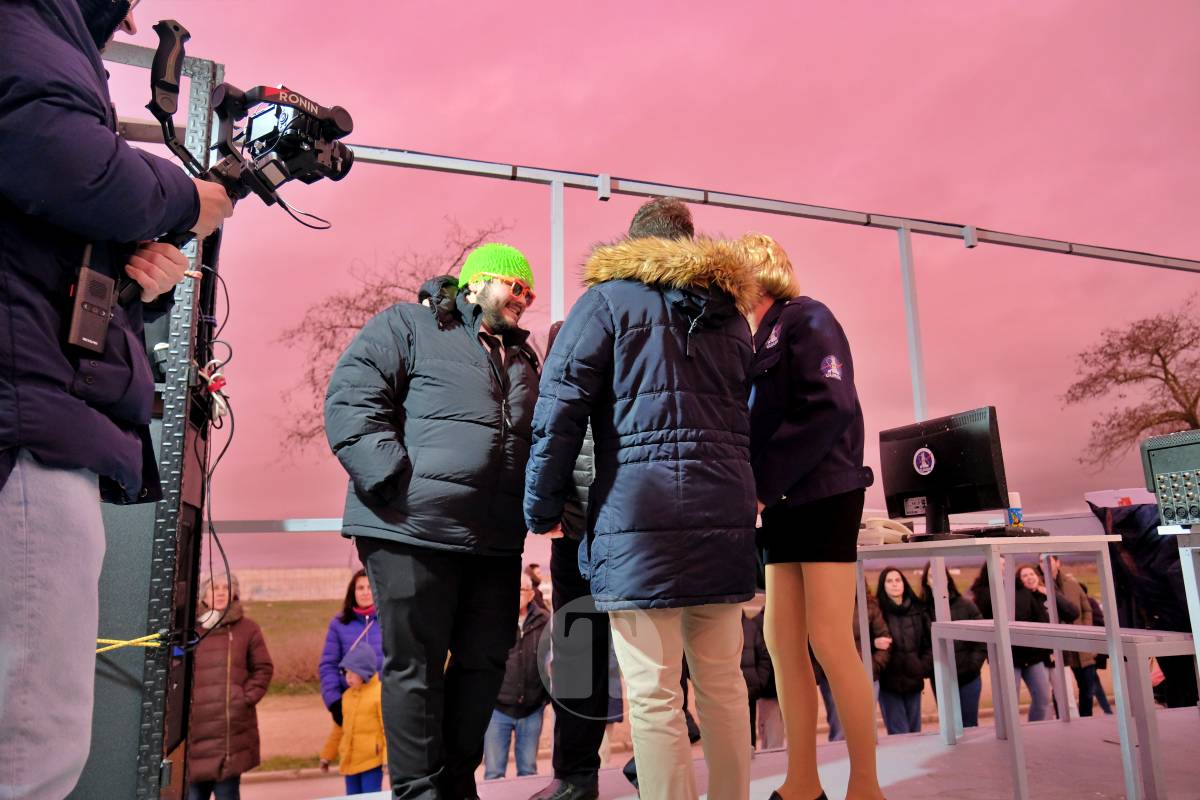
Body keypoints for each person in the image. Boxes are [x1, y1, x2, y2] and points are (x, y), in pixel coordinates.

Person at [0, 2, 234, 796]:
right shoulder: (24, 31)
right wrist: (185, 200)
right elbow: (62, 160)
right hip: (23, 424)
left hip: (33, 405)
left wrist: (124, 252)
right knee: (31, 739)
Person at [525, 197, 758, 800]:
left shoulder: (604, 303)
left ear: (632, 244)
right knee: (723, 685)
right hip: (724, 520)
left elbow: (558, 412)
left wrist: (542, 508)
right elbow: (749, 415)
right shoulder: (733, 315)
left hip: (639, 521)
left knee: (654, 695)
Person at [325, 247, 541, 800]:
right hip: (409, 528)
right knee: (415, 666)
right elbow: (352, 397)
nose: (524, 299)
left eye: (530, 293)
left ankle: (454, 781)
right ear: (475, 283)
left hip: (492, 537)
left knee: (487, 658)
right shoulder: (410, 324)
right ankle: (419, 791)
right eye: (515, 286)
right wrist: (393, 481)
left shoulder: (523, 358)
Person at [739, 232, 880, 800]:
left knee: (828, 637)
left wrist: (761, 486)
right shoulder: (754, 341)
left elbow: (832, 404)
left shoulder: (809, 318)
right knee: (780, 639)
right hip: (782, 502)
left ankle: (866, 787)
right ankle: (802, 783)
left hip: (824, 493)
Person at [527, 320, 610, 800]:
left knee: (645, 657)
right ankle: (577, 776)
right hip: (575, 539)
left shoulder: (619, 390)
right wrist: (545, 514)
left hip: (617, 539)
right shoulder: (549, 399)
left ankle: (650, 756)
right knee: (580, 664)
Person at [186, 575, 274, 800]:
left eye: (227, 587)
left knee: (227, 793)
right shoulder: (189, 631)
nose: (222, 592)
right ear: (204, 595)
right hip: (195, 734)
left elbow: (263, 668)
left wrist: (242, 699)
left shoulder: (248, 629)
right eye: (215, 587)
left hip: (229, 734)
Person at [484, 572, 551, 779]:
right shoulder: (494, 620)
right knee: (494, 772)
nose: (515, 594)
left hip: (532, 709)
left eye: (521, 590)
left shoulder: (545, 621)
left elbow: (552, 659)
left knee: (528, 771)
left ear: (531, 594)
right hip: (497, 709)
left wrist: (545, 697)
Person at [814, 588, 890, 742]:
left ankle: (867, 765)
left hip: (866, 676)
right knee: (839, 731)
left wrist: (872, 667)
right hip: (834, 679)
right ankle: (840, 763)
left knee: (865, 730)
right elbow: (818, 642)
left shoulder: (868, 607)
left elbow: (885, 639)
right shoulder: (823, 606)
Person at [919, 565, 987, 727]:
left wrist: (973, 665)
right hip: (942, 678)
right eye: (931, 576)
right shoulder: (923, 610)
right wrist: (931, 669)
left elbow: (981, 638)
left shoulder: (966, 605)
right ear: (926, 582)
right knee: (950, 727)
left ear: (948, 578)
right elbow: (922, 644)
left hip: (969, 677)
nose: (936, 579)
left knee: (970, 725)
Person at [319, 569, 385, 726]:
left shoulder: (388, 622)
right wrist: (334, 702)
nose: (365, 592)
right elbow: (328, 666)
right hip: (350, 702)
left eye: (370, 587)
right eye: (360, 588)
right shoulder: (339, 624)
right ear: (352, 592)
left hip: (383, 704)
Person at [320, 645, 387, 795]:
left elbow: (386, 730)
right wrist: (327, 756)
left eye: (352, 673)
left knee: (371, 797)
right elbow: (339, 729)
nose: (348, 677)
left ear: (365, 673)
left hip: (372, 761)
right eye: (346, 673)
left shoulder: (379, 695)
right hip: (349, 762)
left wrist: (387, 759)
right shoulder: (347, 697)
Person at [875, 568, 932, 735]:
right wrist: (874, 643)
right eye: (889, 581)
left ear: (904, 583)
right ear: (882, 586)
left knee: (915, 732)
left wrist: (921, 666)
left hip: (914, 679)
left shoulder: (917, 610)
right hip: (889, 682)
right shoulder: (878, 611)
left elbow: (929, 644)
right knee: (899, 733)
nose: (894, 584)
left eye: (897, 580)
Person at [1047, 557, 1104, 716]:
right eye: (1041, 561)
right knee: (1060, 690)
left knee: (1087, 689)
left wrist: (1085, 631)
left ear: (1058, 563)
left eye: (1049, 560)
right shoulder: (1039, 586)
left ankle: (1086, 721)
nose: (1045, 563)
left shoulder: (1072, 584)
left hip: (1080, 644)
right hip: (1059, 644)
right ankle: (1063, 719)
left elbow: (1087, 609)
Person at [741, 607, 773, 750]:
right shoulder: (751, 625)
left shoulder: (750, 626)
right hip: (728, 690)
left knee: (749, 732)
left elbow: (764, 656)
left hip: (749, 689)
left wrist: (759, 681)